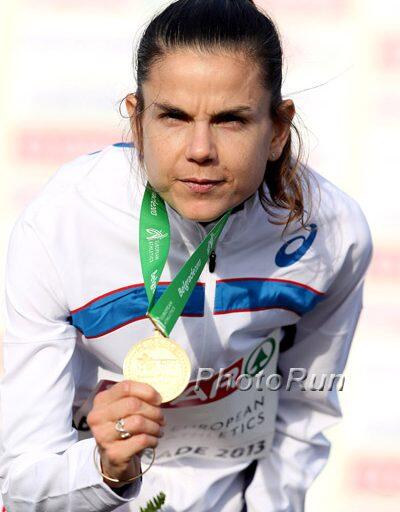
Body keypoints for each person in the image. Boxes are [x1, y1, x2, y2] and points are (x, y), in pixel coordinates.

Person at [0, 0, 373, 511]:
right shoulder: (62, 224)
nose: (200, 149)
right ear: (137, 122)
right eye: (173, 117)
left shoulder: (333, 233)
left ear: (277, 129)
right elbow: (23, 483)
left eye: (230, 120)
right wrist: (106, 468)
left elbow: (304, 410)